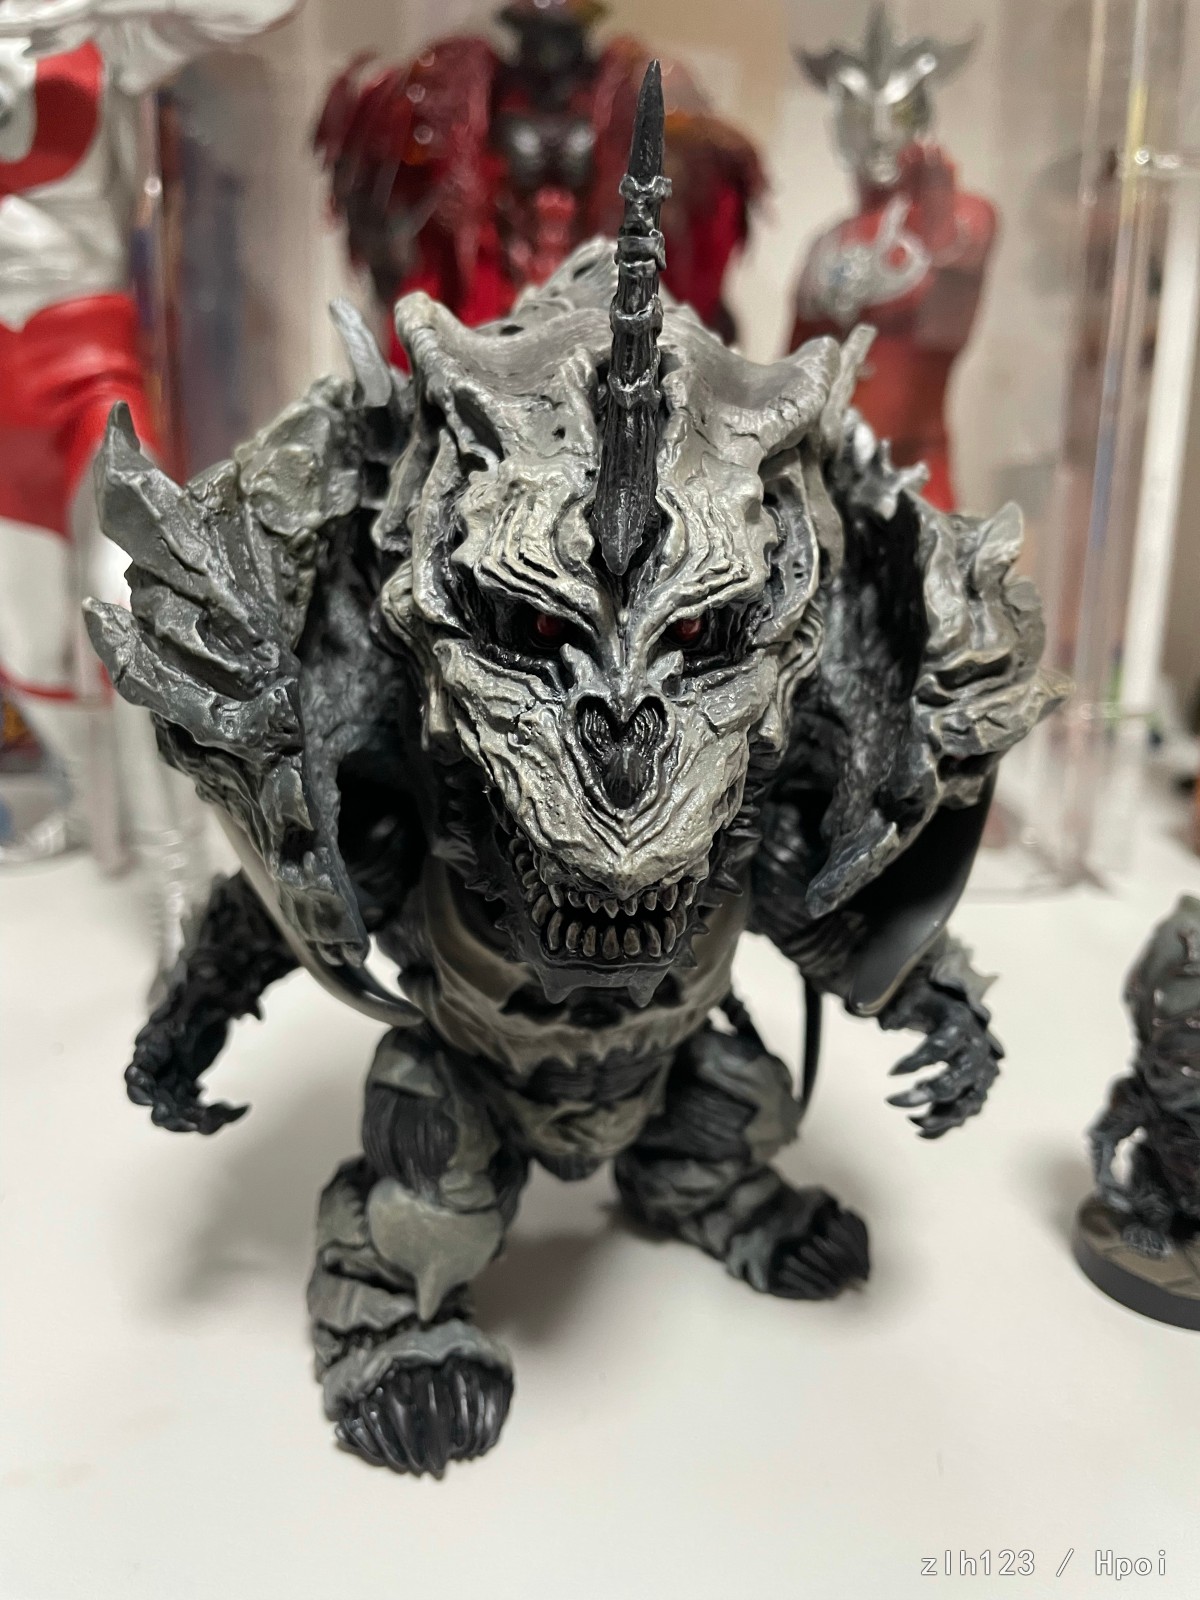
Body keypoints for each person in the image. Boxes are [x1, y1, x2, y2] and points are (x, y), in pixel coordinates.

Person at [0, 0, 298, 966]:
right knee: (23, 634)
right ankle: (93, 815)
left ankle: (182, 875)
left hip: (85, 361)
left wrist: (94, 4)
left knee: (130, 602)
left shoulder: (97, 34)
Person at [788, 5, 995, 511]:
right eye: (862, 116)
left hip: (912, 476)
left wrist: (937, 221)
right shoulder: (826, 242)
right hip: (821, 477)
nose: (880, 134)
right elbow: (792, 368)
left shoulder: (963, 216)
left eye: (897, 114)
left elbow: (950, 311)